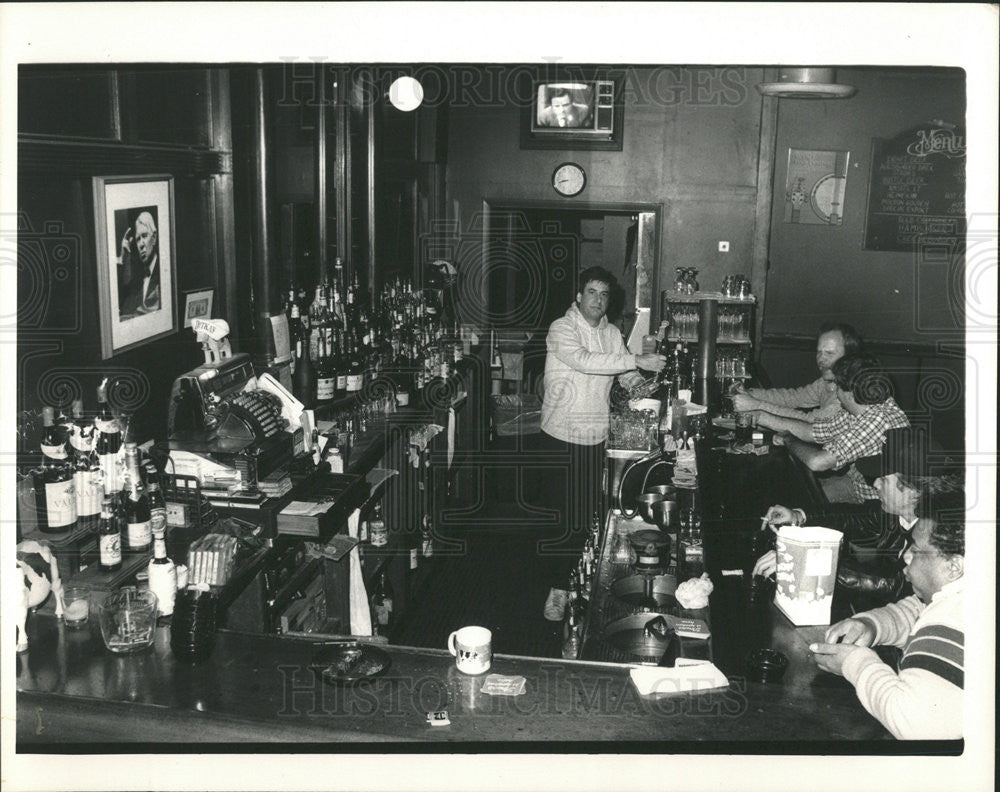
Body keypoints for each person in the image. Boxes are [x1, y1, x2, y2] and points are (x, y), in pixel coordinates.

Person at [539, 266, 666, 619]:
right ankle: (555, 589)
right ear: (578, 296)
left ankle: (572, 582)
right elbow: (584, 361)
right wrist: (634, 359)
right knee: (559, 516)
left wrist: (639, 382)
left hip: (594, 434)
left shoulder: (611, 332)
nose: (598, 300)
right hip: (560, 433)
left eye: (604, 294)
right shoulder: (561, 328)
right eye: (592, 292)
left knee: (581, 514)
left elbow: (621, 372)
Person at [753, 426, 963, 606]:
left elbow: (896, 584)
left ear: (912, 491)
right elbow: (849, 516)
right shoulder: (895, 513)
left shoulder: (938, 536)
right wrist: (798, 515)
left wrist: (804, 564)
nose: (875, 484)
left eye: (883, 479)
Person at [808, 514, 964, 739]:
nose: (907, 556)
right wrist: (871, 625)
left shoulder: (953, 616)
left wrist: (856, 663)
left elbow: (915, 725)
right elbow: (918, 609)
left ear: (954, 567)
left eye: (917, 550)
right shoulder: (958, 596)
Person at [755, 352, 909, 502]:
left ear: (850, 393)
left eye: (838, 385)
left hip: (876, 504)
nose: (835, 391)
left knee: (793, 501)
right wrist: (760, 416)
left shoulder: (876, 421)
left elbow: (818, 462)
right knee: (789, 491)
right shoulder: (862, 406)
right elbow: (811, 431)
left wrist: (787, 438)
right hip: (855, 483)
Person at [733, 322, 863, 422]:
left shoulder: (849, 394)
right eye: (819, 352)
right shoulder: (826, 382)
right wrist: (750, 393)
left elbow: (808, 422)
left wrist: (757, 405)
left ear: (850, 356)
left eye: (829, 353)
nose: (821, 359)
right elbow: (792, 397)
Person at [119, 211, 161, 318]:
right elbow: (123, 307)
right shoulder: (138, 278)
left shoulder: (162, 272)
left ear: (154, 237)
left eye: (145, 236)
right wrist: (123, 259)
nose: (141, 244)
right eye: (138, 239)